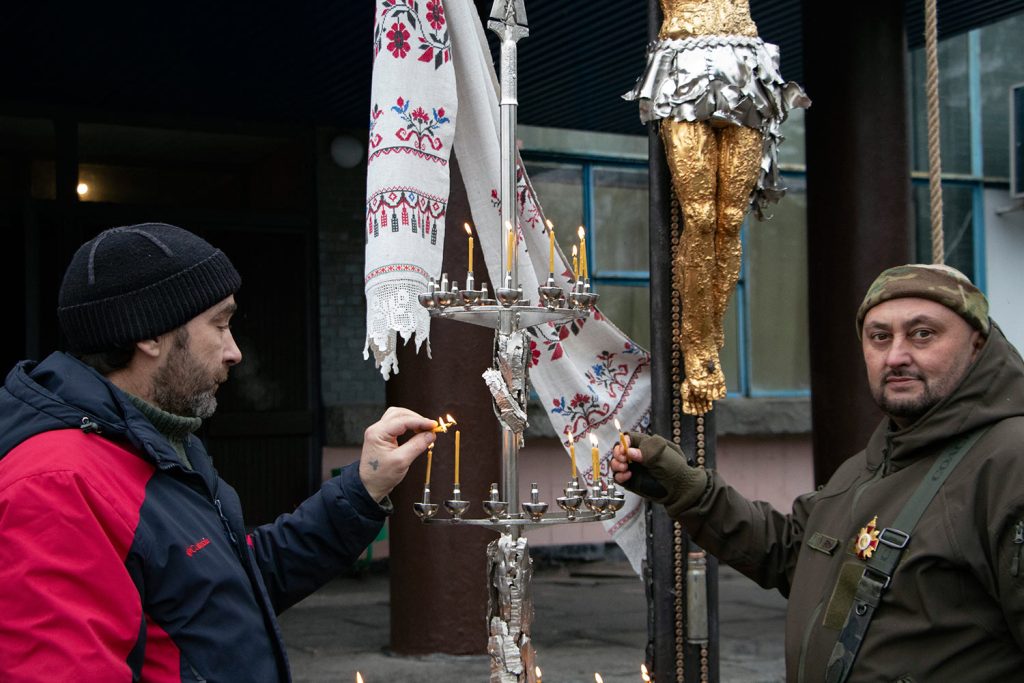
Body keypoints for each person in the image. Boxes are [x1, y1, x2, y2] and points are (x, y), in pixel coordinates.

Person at [0, 223, 436, 681]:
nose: (234, 352)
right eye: (220, 324)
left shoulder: (161, 440)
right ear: (149, 333)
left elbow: (231, 586)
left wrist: (363, 488)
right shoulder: (56, 485)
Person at [612, 263, 1024, 681]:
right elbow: (793, 553)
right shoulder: (877, 459)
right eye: (880, 337)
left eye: (923, 334)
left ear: (978, 344)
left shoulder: (1009, 460)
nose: (896, 356)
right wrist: (689, 490)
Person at [622, 0, 809, 415]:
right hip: (684, 61)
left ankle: (711, 346)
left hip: (745, 60)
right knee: (701, 217)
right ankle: (697, 346)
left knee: (729, 220)